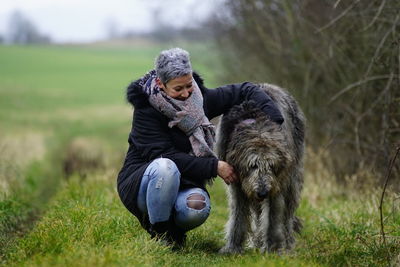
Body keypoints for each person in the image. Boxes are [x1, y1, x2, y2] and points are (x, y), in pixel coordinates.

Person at [117, 48, 284, 248]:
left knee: (197, 208)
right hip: (142, 184)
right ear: (161, 84)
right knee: (166, 167)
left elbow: (246, 89)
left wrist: (275, 120)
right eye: (178, 89)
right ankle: (161, 237)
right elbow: (165, 155)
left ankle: (175, 232)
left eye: (189, 85)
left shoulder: (201, 100)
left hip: (183, 182)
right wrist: (214, 167)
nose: (186, 93)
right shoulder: (146, 110)